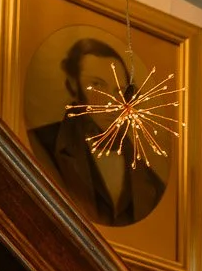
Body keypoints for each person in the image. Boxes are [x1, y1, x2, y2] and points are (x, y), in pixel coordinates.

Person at [29, 35, 168, 229]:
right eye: (97, 85)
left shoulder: (151, 183)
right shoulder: (40, 145)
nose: (111, 102)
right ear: (72, 85)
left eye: (119, 90)